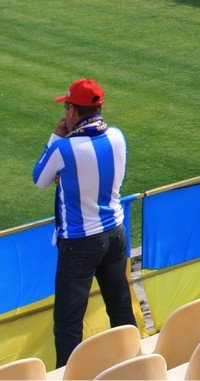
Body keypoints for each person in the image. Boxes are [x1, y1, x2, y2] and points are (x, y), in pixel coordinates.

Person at [33, 78, 137, 368]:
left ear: (71, 110)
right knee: (120, 306)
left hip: (80, 242)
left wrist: (56, 137)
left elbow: (40, 178)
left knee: (68, 320)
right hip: (115, 232)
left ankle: (69, 374)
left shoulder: (64, 149)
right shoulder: (117, 136)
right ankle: (136, 365)